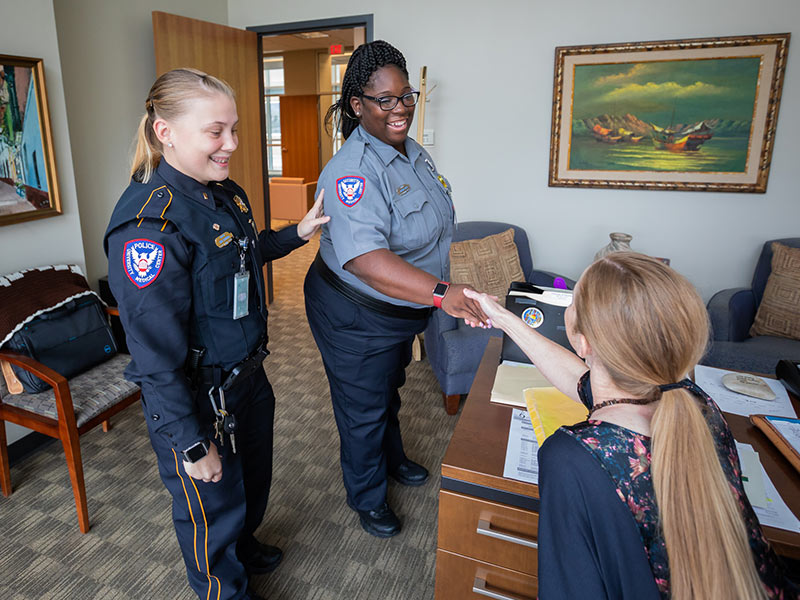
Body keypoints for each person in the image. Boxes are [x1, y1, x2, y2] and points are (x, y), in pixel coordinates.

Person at [104, 68, 328, 600]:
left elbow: (243, 257)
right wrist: (190, 443)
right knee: (209, 514)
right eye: (216, 132)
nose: (231, 145)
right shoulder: (149, 229)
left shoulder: (223, 193)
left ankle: (244, 547)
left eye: (234, 130)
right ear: (166, 132)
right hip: (200, 401)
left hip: (247, 377)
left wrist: (296, 234)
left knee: (249, 487)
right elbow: (153, 359)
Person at [463, 253, 796, 599]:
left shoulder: (573, 457)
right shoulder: (695, 402)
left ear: (583, 342)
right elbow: (584, 382)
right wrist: (504, 318)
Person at [303, 40, 489, 538]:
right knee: (362, 404)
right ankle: (367, 497)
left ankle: (393, 459)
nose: (399, 107)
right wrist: (441, 292)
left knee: (388, 388)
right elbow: (367, 261)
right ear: (357, 105)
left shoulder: (410, 151)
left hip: (399, 309)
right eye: (384, 100)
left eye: (405, 95)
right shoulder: (353, 171)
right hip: (354, 310)